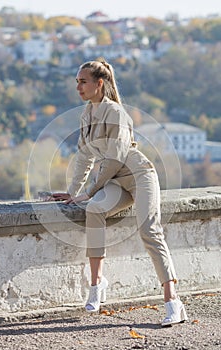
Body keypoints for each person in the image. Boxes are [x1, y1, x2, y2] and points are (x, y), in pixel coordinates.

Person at [51, 59, 187, 326]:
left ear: (99, 83)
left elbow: (114, 158)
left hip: (138, 175)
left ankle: (173, 301)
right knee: (94, 210)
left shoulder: (117, 113)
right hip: (113, 180)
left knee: (150, 230)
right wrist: (73, 192)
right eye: (77, 81)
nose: (78, 86)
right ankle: (97, 284)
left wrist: (89, 190)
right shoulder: (87, 113)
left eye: (83, 81)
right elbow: (83, 156)